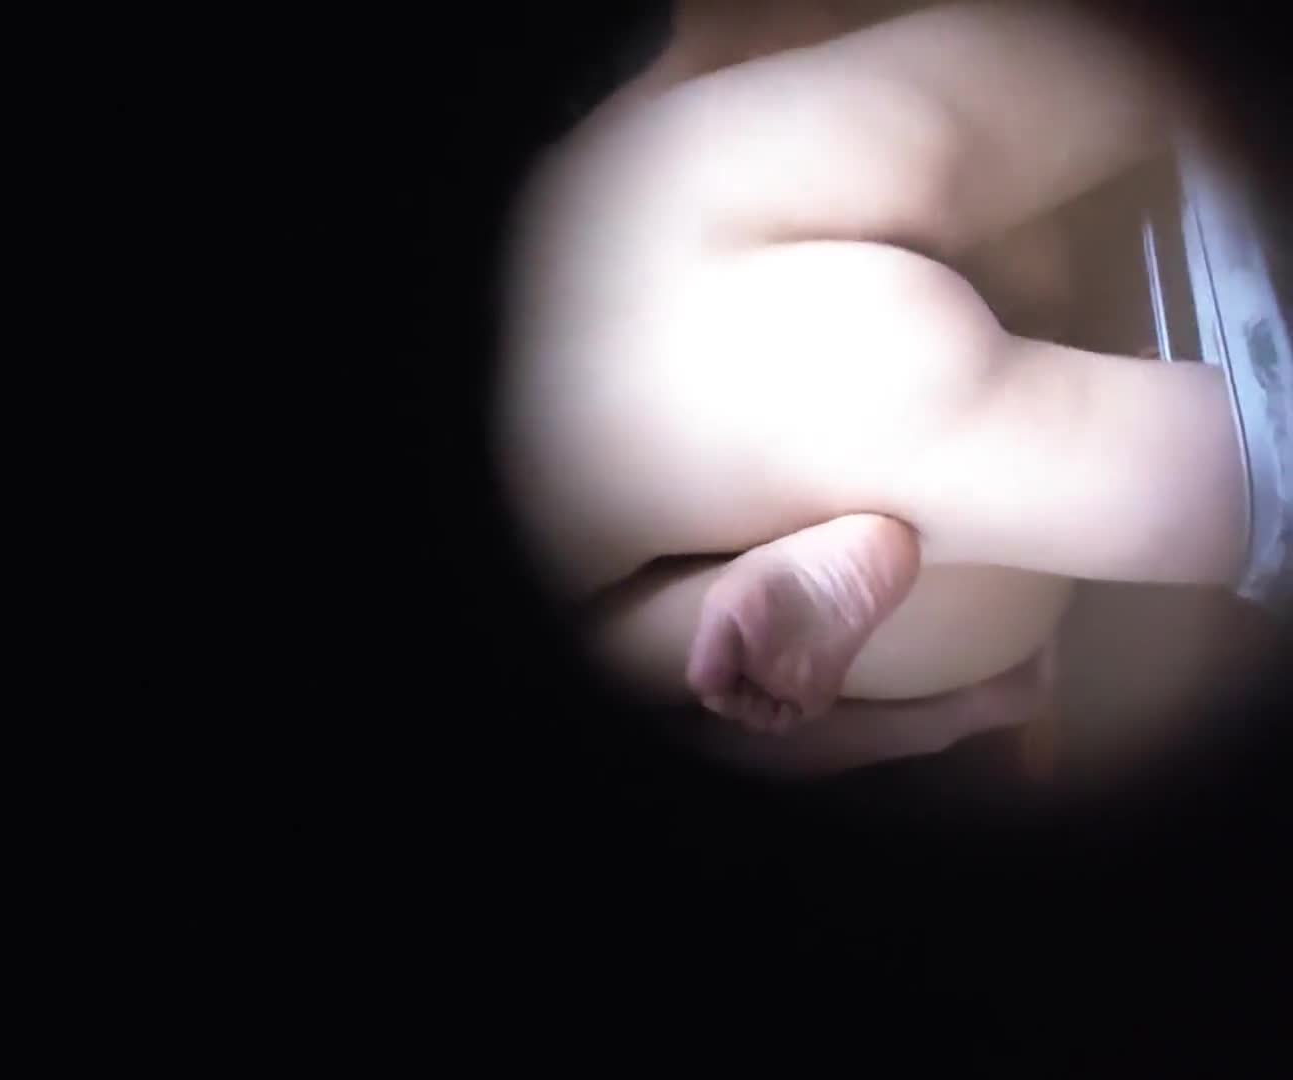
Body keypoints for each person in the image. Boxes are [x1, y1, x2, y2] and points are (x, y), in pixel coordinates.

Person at [498, 1, 1253, 751]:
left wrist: (957, 716)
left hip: (803, 440)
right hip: (722, 181)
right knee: (1129, 68)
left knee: (1006, 591)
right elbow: (704, 51)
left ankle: (813, 578)